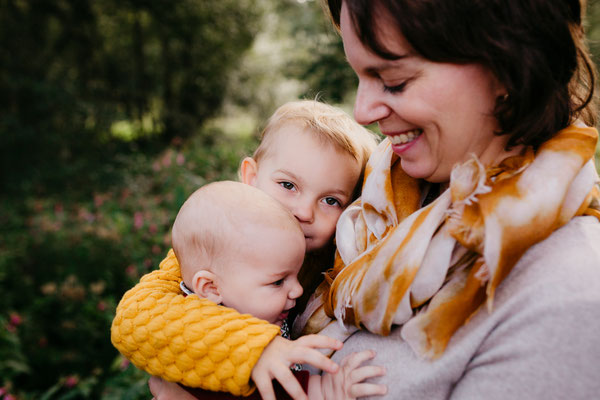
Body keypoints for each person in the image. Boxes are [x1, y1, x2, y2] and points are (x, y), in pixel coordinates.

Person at [145, 0, 600, 399]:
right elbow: (159, 303)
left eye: (395, 81)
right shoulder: (371, 201)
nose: (362, 112)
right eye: (361, 75)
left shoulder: (565, 300)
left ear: (508, 68)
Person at [110, 99, 380, 399]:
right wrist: (255, 349)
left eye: (331, 200)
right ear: (252, 178)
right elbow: (137, 319)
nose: (304, 212)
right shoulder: (221, 238)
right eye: (288, 185)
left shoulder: (334, 266)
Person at [169, 180, 386, 399]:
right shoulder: (206, 344)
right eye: (278, 282)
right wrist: (327, 388)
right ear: (211, 288)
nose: (297, 290)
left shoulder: (238, 307)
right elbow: (272, 388)